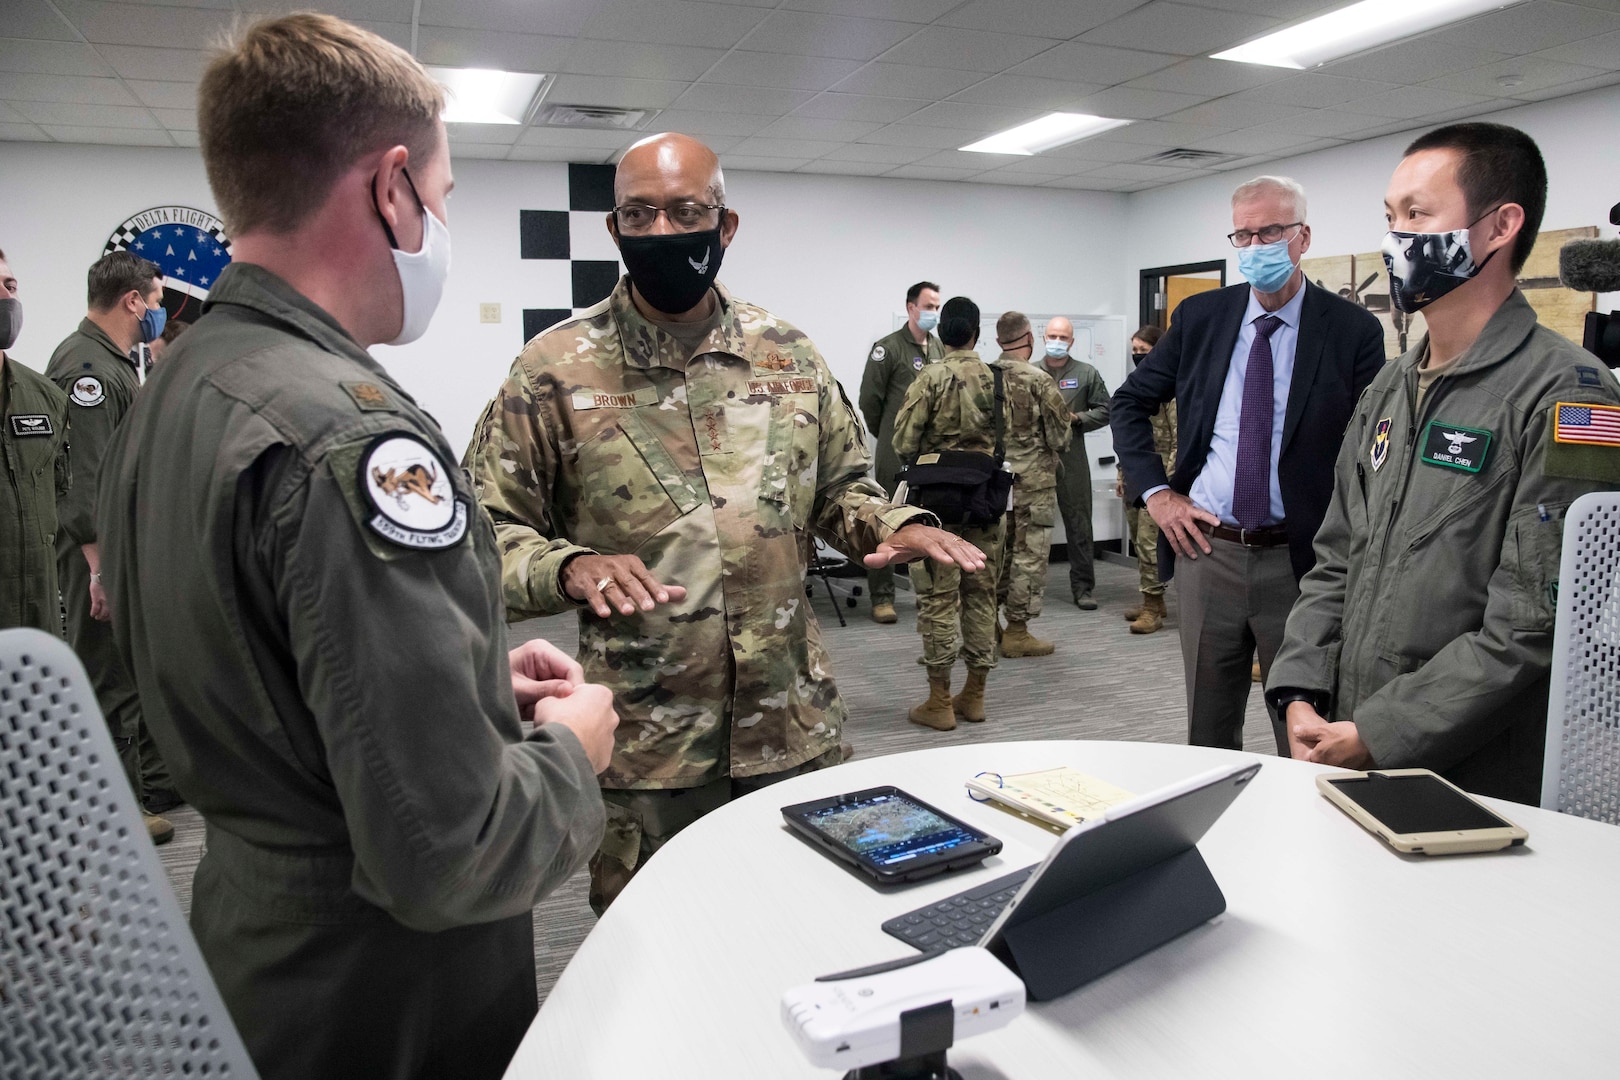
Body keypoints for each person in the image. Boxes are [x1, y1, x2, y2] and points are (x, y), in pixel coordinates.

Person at [93, 16, 619, 1080]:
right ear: (391, 189)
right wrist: (574, 755)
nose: (439, 222)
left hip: (258, 954)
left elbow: (271, 669)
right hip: (385, 997)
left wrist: (468, 680)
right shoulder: (352, 436)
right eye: (444, 195)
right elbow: (450, 854)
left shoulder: (184, 383)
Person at [465, 132, 984, 913]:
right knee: (665, 971)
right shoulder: (554, 369)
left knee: (810, 939)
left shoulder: (789, 355)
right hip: (648, 747)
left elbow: (843, 486)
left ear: (725, 224)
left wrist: (890, 525)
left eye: (686, 212)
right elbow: (480, 540)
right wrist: (568, 565)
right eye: (639, 215)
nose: (664, 233)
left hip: (793, 728)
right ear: (614, 230)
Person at [1268, 123, 1620, 803]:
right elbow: (1337, 555)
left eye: (1417, 216)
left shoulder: (1568, 395)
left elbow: (1536, 621)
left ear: (1499, 227)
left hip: (1472, 772)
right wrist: (1300, 691)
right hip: (1344, 741)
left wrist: (1381, 728)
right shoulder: (1389, 387)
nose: (1397, 238)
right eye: (1390, 217)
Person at [1112, 176, 1383, 756]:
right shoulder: (1201, 317)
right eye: (1245, 233)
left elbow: (1370, 451)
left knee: (1307, 731)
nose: (1257, 245)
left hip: (1303, 561)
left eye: (1272, 231)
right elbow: (1129, 403)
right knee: (1208, 730)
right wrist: (1157, 493)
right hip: (1208, 550)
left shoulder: (1352, 330)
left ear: (1302, 236)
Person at [44, 250, 175, 843]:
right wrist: (101, 571)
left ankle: (139, 787)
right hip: (93, 551)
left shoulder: (112, 360)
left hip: (114, 546)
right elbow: (86, 481)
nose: (159, 311)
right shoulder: (88, 370)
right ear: (132, 301)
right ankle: (113, 810)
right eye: (156, 299)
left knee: (124, 671)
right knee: (107, 676)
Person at [891, 295, 1009, 728]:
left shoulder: (930, 377)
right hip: (984, 501)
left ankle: (939, 702)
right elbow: (1006, 439)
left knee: (939, 598)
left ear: (943, 332)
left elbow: (903, 441)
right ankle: (974, 696)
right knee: (981, 596)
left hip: (935, 505)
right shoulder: (997, 379)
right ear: (977, 331)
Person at [858, 280, 944, 623]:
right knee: (887, 520)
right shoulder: (888, 348)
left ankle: (929, 595)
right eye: (928, 306)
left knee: (930, 520)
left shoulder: (939, 349)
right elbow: (869, 401)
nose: (933, 313)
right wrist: (892, 437)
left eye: (937, 307)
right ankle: (882, 596)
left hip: (932, 455)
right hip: (895, 451)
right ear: (911, 307)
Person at [990, 310, 1072, 657]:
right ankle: (1018, 631)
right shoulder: (1039, 380)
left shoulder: (983, 376)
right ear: (1030, 339)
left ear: (998, 342)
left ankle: (987, 624)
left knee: (995, 554)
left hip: (992, 483)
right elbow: (1059, 435)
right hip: (1033, 483)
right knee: (1029, 556)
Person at [0, 247, 72, 636]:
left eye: (10, 285)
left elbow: (58, 495)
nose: (7, 298)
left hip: (37, 625)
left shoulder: (45, 397)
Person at [1041, 315, 1110, 609]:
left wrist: (1078, 418)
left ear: (1072, 341)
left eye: (1063, 338)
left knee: (1079, 523)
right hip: (1037, 457)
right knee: (1029, 526)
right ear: (1043, 337)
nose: (1057, 342)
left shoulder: (1086, 373)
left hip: (1072, 456)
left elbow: (1107, 410)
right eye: (1052, 336)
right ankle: (1023, 590)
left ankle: (1083, 588)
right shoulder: (1030, 372)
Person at [1115, 325, 1174, 634]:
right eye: (1134, 351)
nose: (1138, 356)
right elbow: (1129, 434)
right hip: (1137, 472)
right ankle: (1152, 598)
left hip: (1162, 476)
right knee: (1140, 540)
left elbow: (1180, 440)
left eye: (1144, 351)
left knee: (1151, 543)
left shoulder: (1172, 388)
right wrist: (1122, 473)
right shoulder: (1136, 384)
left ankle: (1153, 608)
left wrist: (1171, 485)